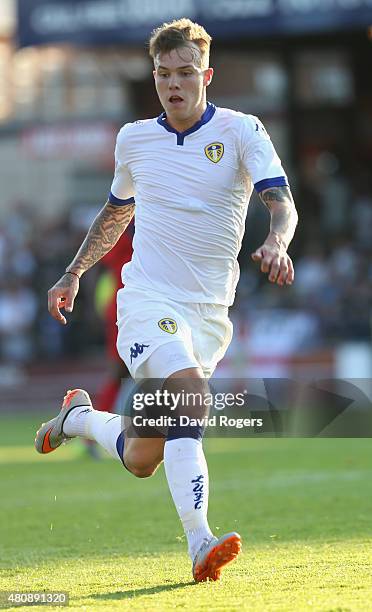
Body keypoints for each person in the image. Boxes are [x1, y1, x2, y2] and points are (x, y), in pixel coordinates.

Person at [35, 18, 298, 582]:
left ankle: (78, 418)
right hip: (147, 298)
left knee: (140, 456)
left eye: (184, 73)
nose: (172, 84)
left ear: (207, 74)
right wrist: (73, 272)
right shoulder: (134, 138)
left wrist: (276, 240)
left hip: (208, 315)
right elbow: (116, 211)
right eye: (162, 74)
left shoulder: (242, 130)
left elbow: (280, 201)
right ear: (154, 77)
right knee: (190, 397)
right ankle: (200, 542)